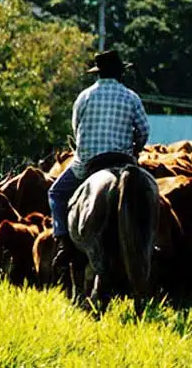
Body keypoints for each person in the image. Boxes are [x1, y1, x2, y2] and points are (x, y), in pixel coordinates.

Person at [48, 49, 151, 267]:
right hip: (122, 164)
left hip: (88, 163)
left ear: (98, 73)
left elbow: (76, 129)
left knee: (56, 194)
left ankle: (64, 243)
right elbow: (143, 131)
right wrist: (135, 149)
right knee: (150, 194)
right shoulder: (131, 97)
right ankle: (152, 240)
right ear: (120, 73)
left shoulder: (84, 96)